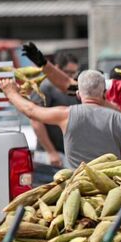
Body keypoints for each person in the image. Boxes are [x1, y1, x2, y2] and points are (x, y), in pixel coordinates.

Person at [0, 72, 121, 168]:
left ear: (79, 94)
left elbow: (31, 111)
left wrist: (11, 93)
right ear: (104, 93)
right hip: (112, 190)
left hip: (76, 189)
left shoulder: (65, 114)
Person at [29, 52, 80, 184]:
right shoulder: (45, 87)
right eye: (67, 72)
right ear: (56, 68)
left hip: (70, 155)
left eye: (74, 73)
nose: (70, 77)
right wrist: (51, 152)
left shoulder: (74, 88)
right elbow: (35, 120)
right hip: (50, 155)